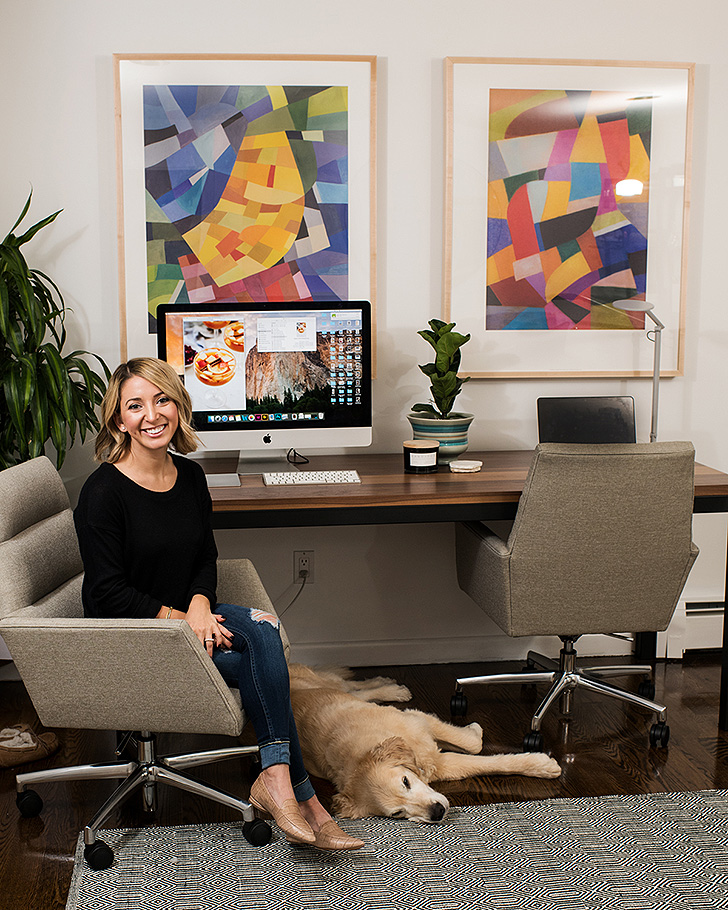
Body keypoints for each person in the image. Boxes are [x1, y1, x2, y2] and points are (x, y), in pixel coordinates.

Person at [73, 357, 363, 852]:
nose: (152, 415)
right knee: (256, 656)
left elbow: (205, 555)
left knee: (264, 630)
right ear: (118, 419)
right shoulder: (102, 493)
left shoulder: (189, 477)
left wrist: (203, 607)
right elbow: (106, 591)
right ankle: (304, 798)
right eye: (135, 405)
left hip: (189, 617)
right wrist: (184, 620)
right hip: (135, 634)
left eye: (162, 399)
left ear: (178, 404)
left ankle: (278, 780)